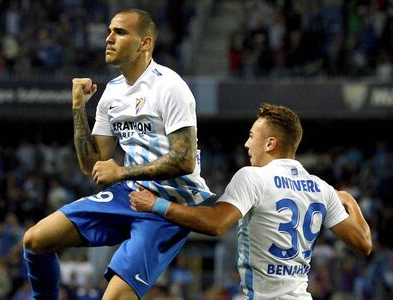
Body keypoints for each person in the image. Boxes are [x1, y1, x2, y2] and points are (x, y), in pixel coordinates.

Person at [22, 9, 213, 300]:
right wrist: (78, 108)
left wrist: (121, 172)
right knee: (35, 240)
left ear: (144, 43)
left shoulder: (170, 87)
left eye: (120, 32)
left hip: (167, 206)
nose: (108, 38)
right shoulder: (111, 93)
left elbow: (184, 160)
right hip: (129, 194)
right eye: (110, 31)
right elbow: (91, 164)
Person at [130, 103, 372, 299]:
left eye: (251, 136)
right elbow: (363, 244)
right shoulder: (321, 188)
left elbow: (216, 223)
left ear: (270, 143)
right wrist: (349, 200)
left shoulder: (253, 176)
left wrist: (156, 204)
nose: (246, 144)